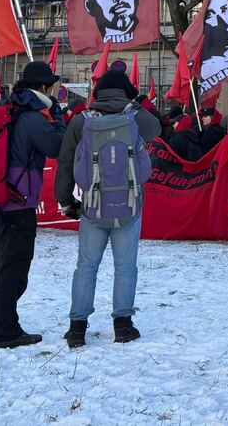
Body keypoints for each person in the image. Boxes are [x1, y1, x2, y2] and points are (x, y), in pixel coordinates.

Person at [56, 69, 161, 348]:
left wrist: (66, 200)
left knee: (86, 266)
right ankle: (123, 325)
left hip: (92, 206)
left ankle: (77, 328)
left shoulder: (81, 120)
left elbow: (66, 161)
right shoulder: (135, 117)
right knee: (125, 265)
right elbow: (157, 129)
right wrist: (136, 103)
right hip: (129, 204)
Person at [0, 61, 66, 349]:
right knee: (13, 267)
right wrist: (57, 114)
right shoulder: (34, 116)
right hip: (19, 200)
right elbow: (57, 147)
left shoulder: (9, 110)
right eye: (51, 85)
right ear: (42, 87)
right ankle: (7, 330)